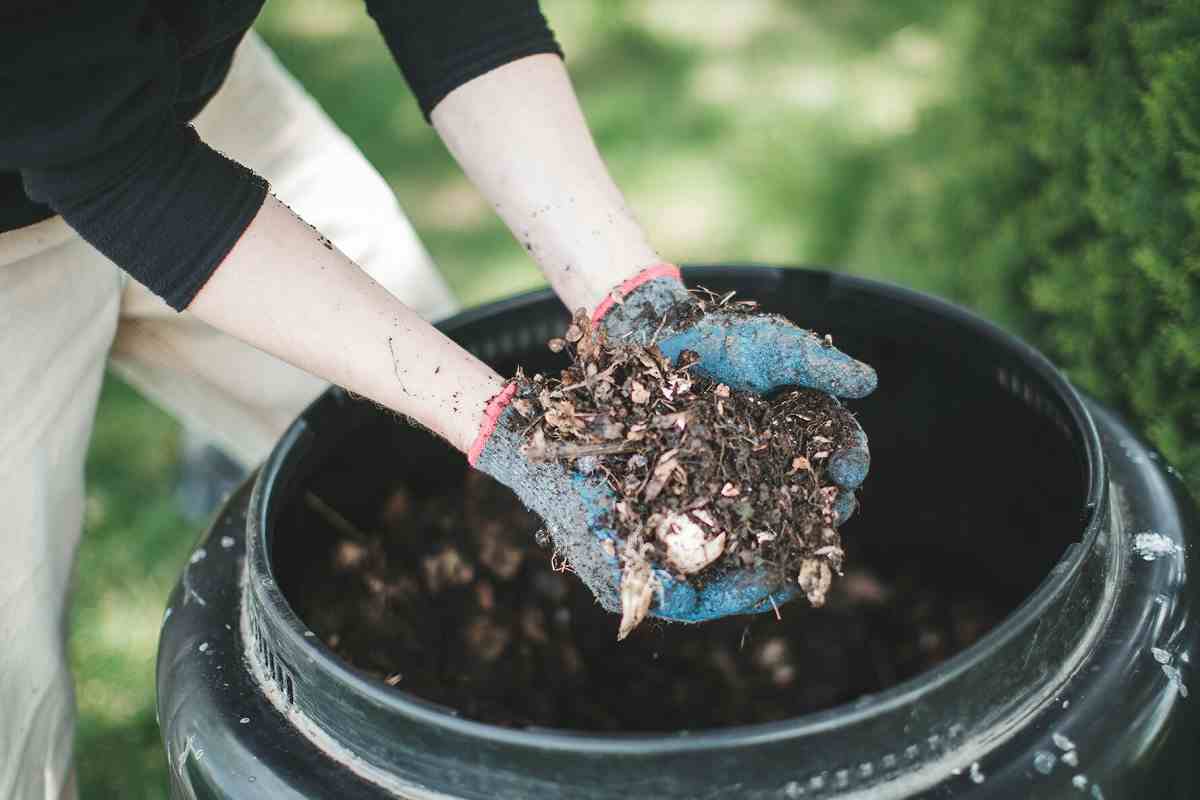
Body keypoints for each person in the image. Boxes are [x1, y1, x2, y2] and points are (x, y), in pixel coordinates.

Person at [0, 2, 876, 797]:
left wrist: (629, 298)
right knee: (14, 700)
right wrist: (510, 429)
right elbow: (106, 157)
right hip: (51, 149)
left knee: (419, 485)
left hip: (174, 94)